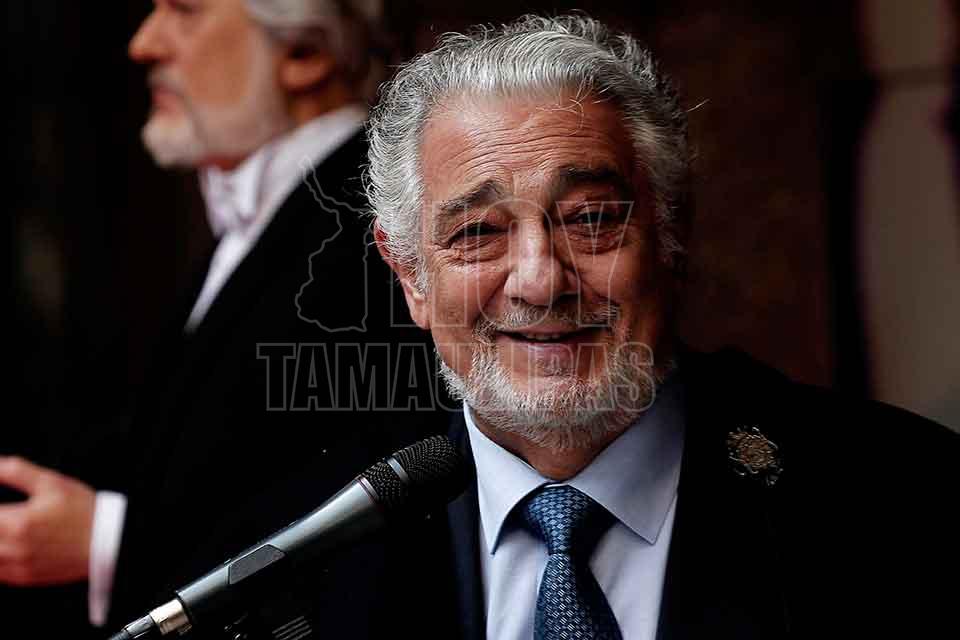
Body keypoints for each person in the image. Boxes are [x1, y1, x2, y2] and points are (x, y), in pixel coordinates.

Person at [366, 14, 958, 638]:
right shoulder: (323, 548)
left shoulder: (909, 501)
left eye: (591, 220)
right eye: (479, 232)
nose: (540, 283)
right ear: (410, 277)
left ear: (672, 235)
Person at [0, 0, 438, 636]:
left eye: (185, 10)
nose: (144, 43)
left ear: (304, 55)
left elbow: (379, 497)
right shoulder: (260, 217)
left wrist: (106, 540)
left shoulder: (376, 224)